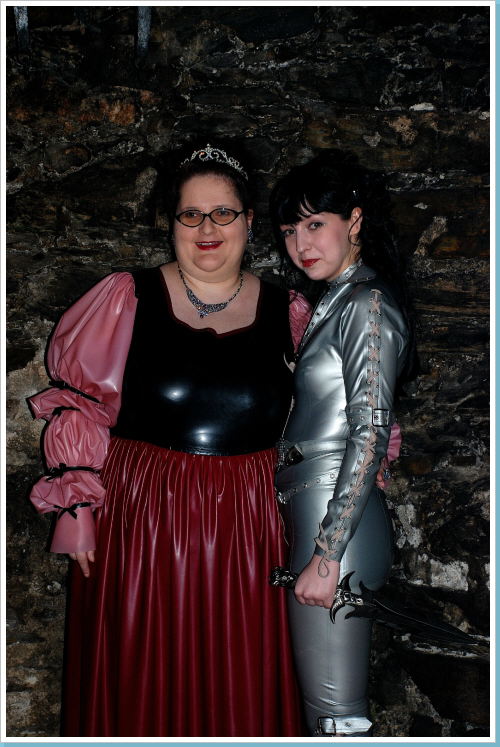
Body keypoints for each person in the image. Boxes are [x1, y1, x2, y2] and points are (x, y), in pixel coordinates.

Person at [28, 142, 312, 737]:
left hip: (250, 522)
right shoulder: (125, 299)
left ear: (248, 221)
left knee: (241, 673)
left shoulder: (290, 313)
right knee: (139, 671)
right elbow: (81, 405)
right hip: (143, 516)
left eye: (223, 213)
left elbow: (332, 414)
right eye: (191, 214)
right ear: (173, 223)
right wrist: (76, 508)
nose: (207, 229)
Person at [269, 149, 416, 737]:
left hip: (335, 523)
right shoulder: (336, 300)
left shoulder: (365, 302)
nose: (300, 244)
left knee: (336, 717)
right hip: (318, 509)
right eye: (289, 230)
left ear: (354, 221)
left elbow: (370, 431)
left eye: (314, 224)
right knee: (325, 713)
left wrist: (327, 554)